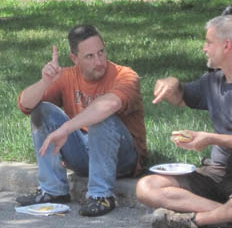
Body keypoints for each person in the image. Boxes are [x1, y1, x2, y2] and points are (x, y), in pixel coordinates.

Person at [136, 15, 232, 228]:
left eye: (208, 42)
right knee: (146, 187)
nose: (204, 48)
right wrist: (171, 83)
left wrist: (212, 138)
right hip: (215, 174)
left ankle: (195, 220)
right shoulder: (213, 81)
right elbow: (180, 96)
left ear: (227, 45)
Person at [17, 24, 147, 217]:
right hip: (85, 153)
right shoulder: (68, 76)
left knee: (101, 117)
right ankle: (53, 191)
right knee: (41, 111)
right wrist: (45, 81)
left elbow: (108, 105)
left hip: (124, 159)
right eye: (90, 56)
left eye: (101, 52)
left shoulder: (126, 76)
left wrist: (66, 128)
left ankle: (101, 195)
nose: (99, 61)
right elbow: (25, 105)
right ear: (74, 59)